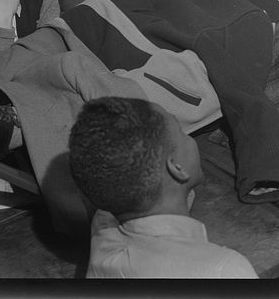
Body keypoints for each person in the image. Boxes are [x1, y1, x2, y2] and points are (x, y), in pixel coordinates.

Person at [69, 96, 258, 279]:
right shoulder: (223, 270)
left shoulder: (104, 231)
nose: (190, 140)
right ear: (176, 167)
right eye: (182, 133)